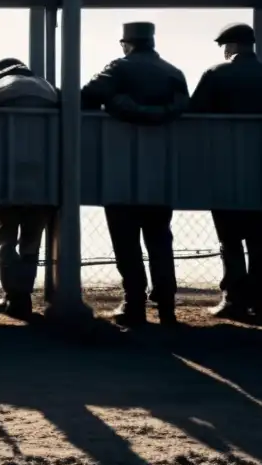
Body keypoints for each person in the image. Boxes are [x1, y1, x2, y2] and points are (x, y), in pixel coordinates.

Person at [81, 21, 189, 326]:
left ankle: (134, 304)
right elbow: (184, 106)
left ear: (125, 44)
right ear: (152, 42)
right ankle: (166, 306)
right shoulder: (173, 72)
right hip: (161, 169)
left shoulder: (119, 68)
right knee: (159, 238)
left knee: (126, 240)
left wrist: (116, 104)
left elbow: (87, 95)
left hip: (119, 167)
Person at [190, 23, 262, 321]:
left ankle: (234, 298)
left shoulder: (217, 74)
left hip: (223, 166)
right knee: (258, 236)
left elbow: (195, 113)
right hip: (261, 167)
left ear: (229, 47)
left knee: (229, 237)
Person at [0, 57, 58, 319]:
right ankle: (25, 299)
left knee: (7, 239)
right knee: (31, 241)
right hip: (44, 178)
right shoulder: (50, 89)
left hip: (2, 175)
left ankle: (13, 299)